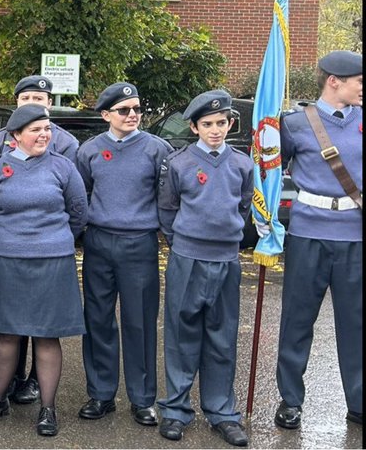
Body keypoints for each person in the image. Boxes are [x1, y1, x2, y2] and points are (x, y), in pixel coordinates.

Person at [0, 104, 88, 437]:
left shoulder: (63, 168)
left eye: (47, 129)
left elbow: (78, 213)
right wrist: (8, 239)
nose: (43, 135)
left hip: (53, 261)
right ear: (15, 136)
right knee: (6, 333)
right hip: (9, 260)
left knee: (46, 335)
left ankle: (47, 408)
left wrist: (50, 240)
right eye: (35, 130)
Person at [155, 90, 253, 447]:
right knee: (182, 334)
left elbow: (243, 207)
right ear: (194, 127)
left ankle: (222, 411)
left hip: (226, 258)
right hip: (187, 257)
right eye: (207, 124)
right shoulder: (179, 163)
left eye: (222, 123)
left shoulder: (243, 164)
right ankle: (176, 409)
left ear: (230, 124)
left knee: (222, 336)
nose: (215, 130)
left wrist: (226, 238)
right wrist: (184, 241)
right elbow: (167, 211)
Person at [74, 82, 173, 427]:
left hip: (140, 243)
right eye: (123, 110)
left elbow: (167, 196)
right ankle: (101, 393)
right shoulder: (88, 151)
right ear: (106, 115)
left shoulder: (157, 149)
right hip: (99, 241)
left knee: (140, 320)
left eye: (136, 109)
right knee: (98, 319)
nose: (132, 115)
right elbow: (81, 193)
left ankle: (143, 398)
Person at [274, 51, 363, 431]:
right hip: (308, 232)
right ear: (334, 81)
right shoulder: (294, 124)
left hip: (355, 235)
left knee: (356, 323)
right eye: (359, 79)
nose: (363, 86)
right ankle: (290, 400)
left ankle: (358, 401)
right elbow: (270, 169)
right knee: (297, 320)